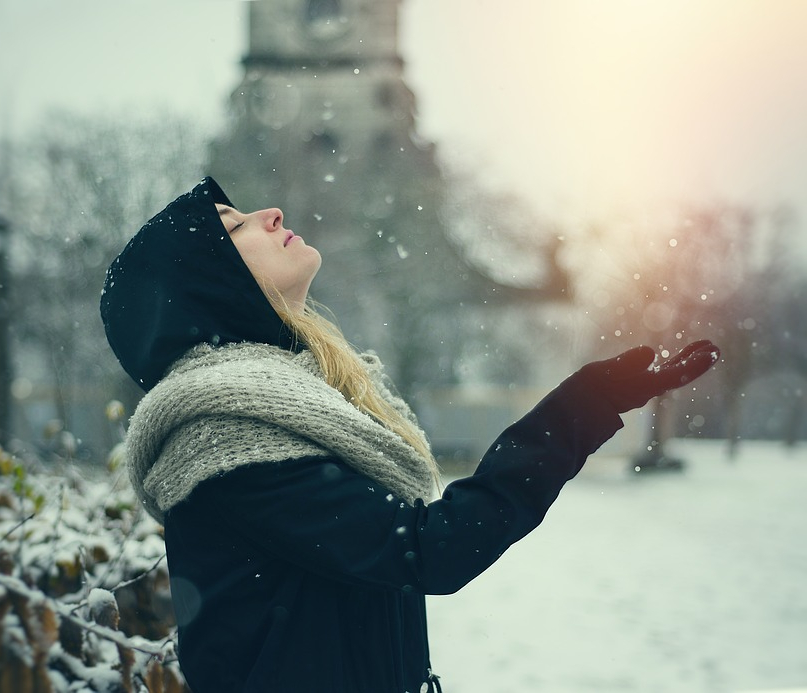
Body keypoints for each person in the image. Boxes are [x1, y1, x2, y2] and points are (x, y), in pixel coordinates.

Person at [100, 177, 720, 693]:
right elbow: (428, 549)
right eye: (235, 227)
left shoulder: (303, 406)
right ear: (209, 286)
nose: (271, 213)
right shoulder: (225, 440)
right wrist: (580, 407)